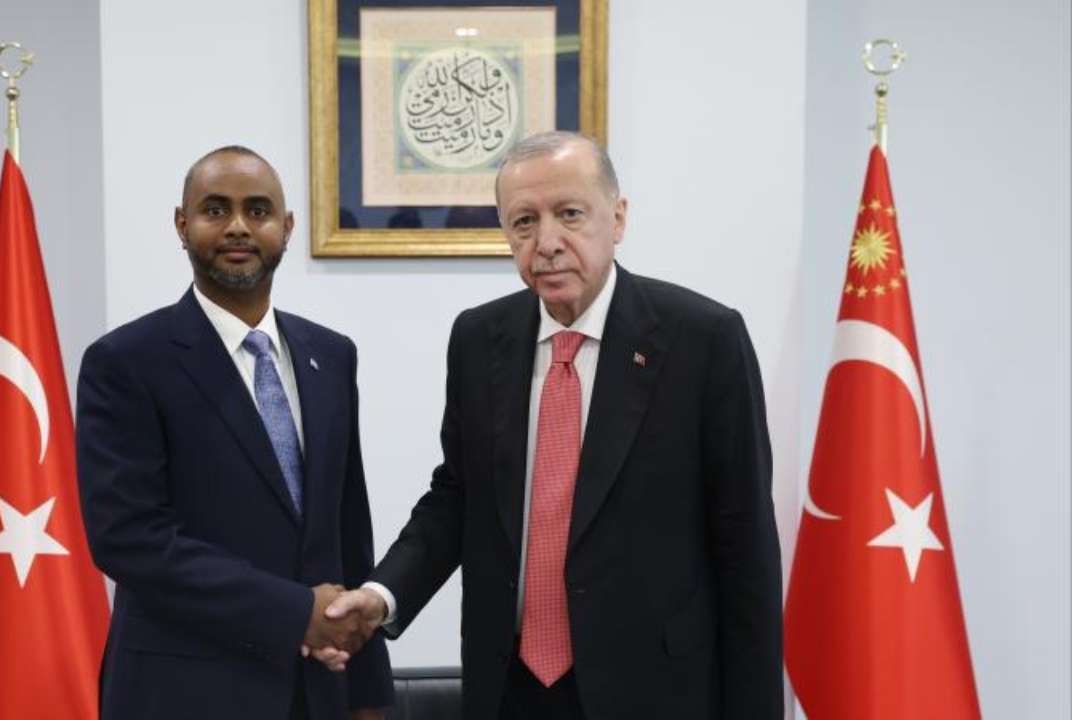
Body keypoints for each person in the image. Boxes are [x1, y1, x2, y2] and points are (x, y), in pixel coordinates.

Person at [322, 132, 783, 719]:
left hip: (655, 693)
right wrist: (381, 595)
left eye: (569, 214)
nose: (546, 243)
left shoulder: (703, 340)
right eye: (524, 222)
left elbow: (746, 550)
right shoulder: (478, 339)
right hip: (509, 689)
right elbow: (458, 498)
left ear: (617, 218)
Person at [75, 146, 392, 720]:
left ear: (286, 227)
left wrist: (368, 695)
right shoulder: (125, 361)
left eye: (258, 210)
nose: (238, 227)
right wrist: (294, 611)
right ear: (182, 224)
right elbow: (129, 539)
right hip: (181, 694)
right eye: (215, 210)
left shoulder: (331, 355)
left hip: (316, 693)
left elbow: (348, 535)